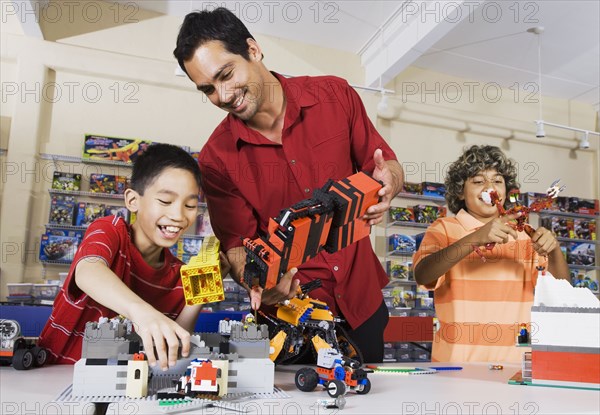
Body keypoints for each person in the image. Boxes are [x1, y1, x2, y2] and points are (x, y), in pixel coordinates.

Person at [173, 7, 404, 362]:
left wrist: (390, 180)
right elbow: (236, 245)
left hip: (363, 303)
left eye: (225, 74)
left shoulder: (335, 95)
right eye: (207, 89)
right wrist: (257, 283)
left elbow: (384, 161)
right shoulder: (217, 159)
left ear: (253, 50)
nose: (222, 95)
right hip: (291, 319)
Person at [39, 144, 226, 369]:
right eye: (165, 201)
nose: (178, 215)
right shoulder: (110, 230)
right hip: (55, 376)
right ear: (132, 200)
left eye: (190, 205)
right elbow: (88, 271)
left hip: (123, 388)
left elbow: (172, 348)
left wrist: (202, 293)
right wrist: (143, 313)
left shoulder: (179, 274)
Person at [413, 145, 569, 363]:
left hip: (516, 365)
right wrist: (477, 237)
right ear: (460, 191)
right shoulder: (444, 228)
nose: (490, 188)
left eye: (497, 181)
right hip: (455, 367)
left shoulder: (523, 234)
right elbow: (423, 275)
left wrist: (554, 252)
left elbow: (562, 292)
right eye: (478, 181)